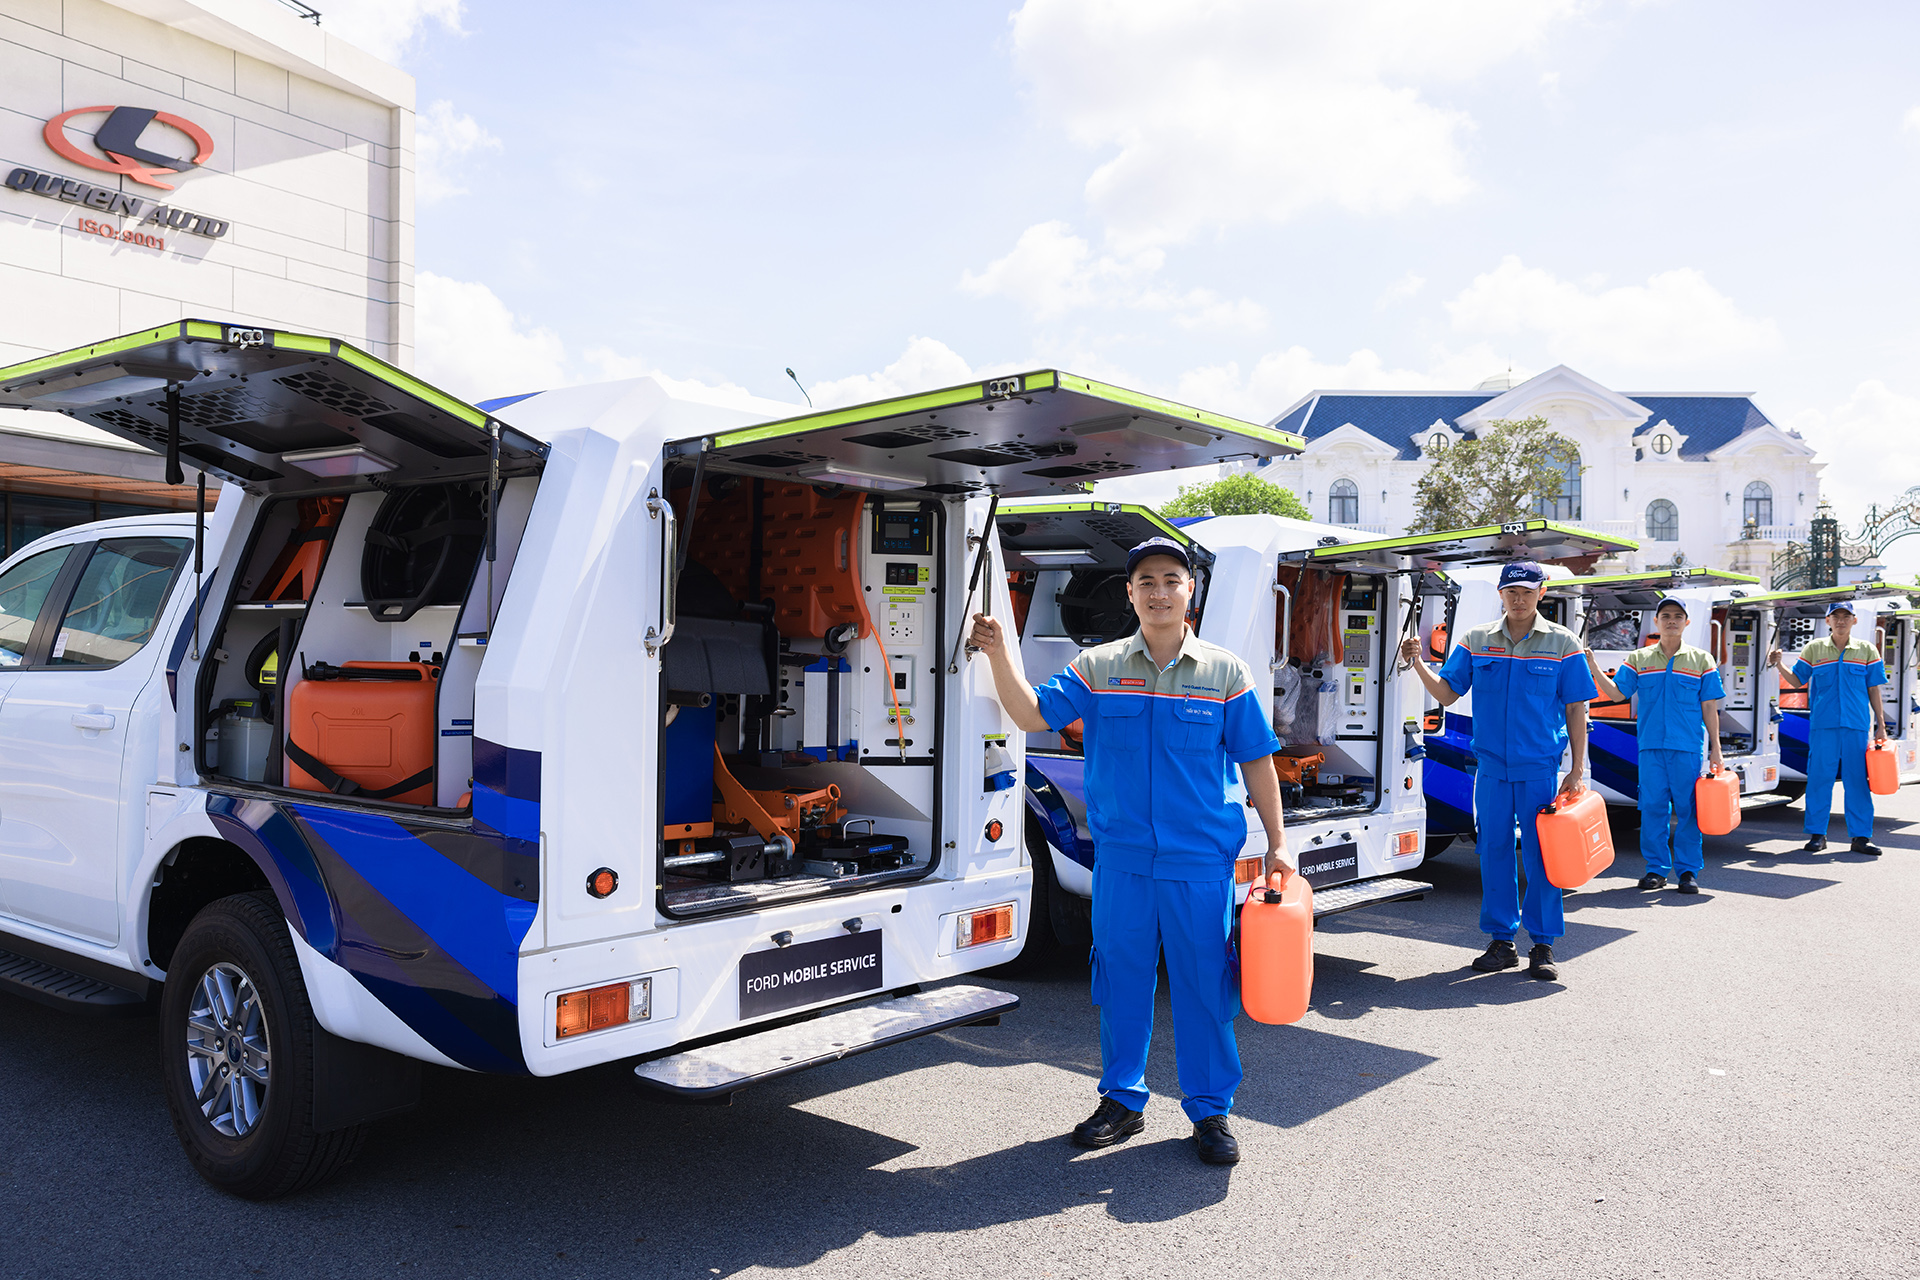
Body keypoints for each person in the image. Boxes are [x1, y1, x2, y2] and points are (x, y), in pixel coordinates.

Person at [969, 536, 1288, 1166]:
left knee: (1204, 986)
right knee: (1122, 982)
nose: (1160, 592)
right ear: (1129, 593)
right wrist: (1002, 653)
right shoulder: (1100, 666)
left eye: (1172, 579)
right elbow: (1034, 715)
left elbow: (1257, 759)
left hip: (1199, 862)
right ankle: (1122, 1099)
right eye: (1147, 581)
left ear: (1189, 590)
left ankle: (1211, 1110)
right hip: (1122, 861)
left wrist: (1279, 844)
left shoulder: (1226, 672)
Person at [1400, 561, 1596, 981]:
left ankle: (1543, 945)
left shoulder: (1563, 643)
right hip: (1489, 768)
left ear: (1542, 593)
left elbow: (1577, 708)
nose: (1519, 599)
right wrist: (1417, 664)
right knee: (1493, 852)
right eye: (1512, 592)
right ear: (1501, 594)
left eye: (1527, 592)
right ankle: (1501, 942)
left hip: (1540, 768)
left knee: (1543, 857)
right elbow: (1447, 694)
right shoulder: (1476, 640)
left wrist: (1576, 769)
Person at [1592, 596, 1726, 894]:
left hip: (1687, 746)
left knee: (1689, 810)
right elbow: (1617, 694)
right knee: (1653, 808)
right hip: (1651, 746)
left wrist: (1716, 749)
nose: (1671, 621)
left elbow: (1709, 708)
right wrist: (1594, 665)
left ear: (1686, 622)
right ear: (1657, 621)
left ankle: (1689, 871)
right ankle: (1655, 870)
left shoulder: (1702, 660)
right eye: (1666, 615)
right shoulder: (1639, 658)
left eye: (1678, 616)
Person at [1769, 600, 1888, 856]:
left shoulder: (1867, 650)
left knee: (1857, 781)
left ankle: (1860, 838)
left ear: (1854, 620)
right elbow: (1797, 679)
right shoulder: (1814, 649)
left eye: (1846, 616)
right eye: (1836, 616)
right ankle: (1817, 835)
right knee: (1819, 779)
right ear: (1828, 621)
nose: (1841, 621)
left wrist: (1880, 724)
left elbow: (1874, 688)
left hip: (1856, 725)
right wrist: (1779, 665)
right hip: (1823, 725)